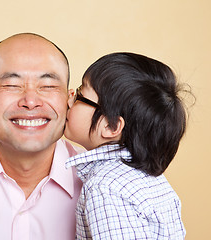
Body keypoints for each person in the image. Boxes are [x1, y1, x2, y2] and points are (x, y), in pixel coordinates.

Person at [0, 33, 83, 239]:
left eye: (48, 86)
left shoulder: (103, 183)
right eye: (11, 85)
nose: (31, 101)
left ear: (69, 100)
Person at [64, 52, 188, 239]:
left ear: (111, 126)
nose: (69, 97)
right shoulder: (148, 178)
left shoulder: (104, 188)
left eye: (80, 94)